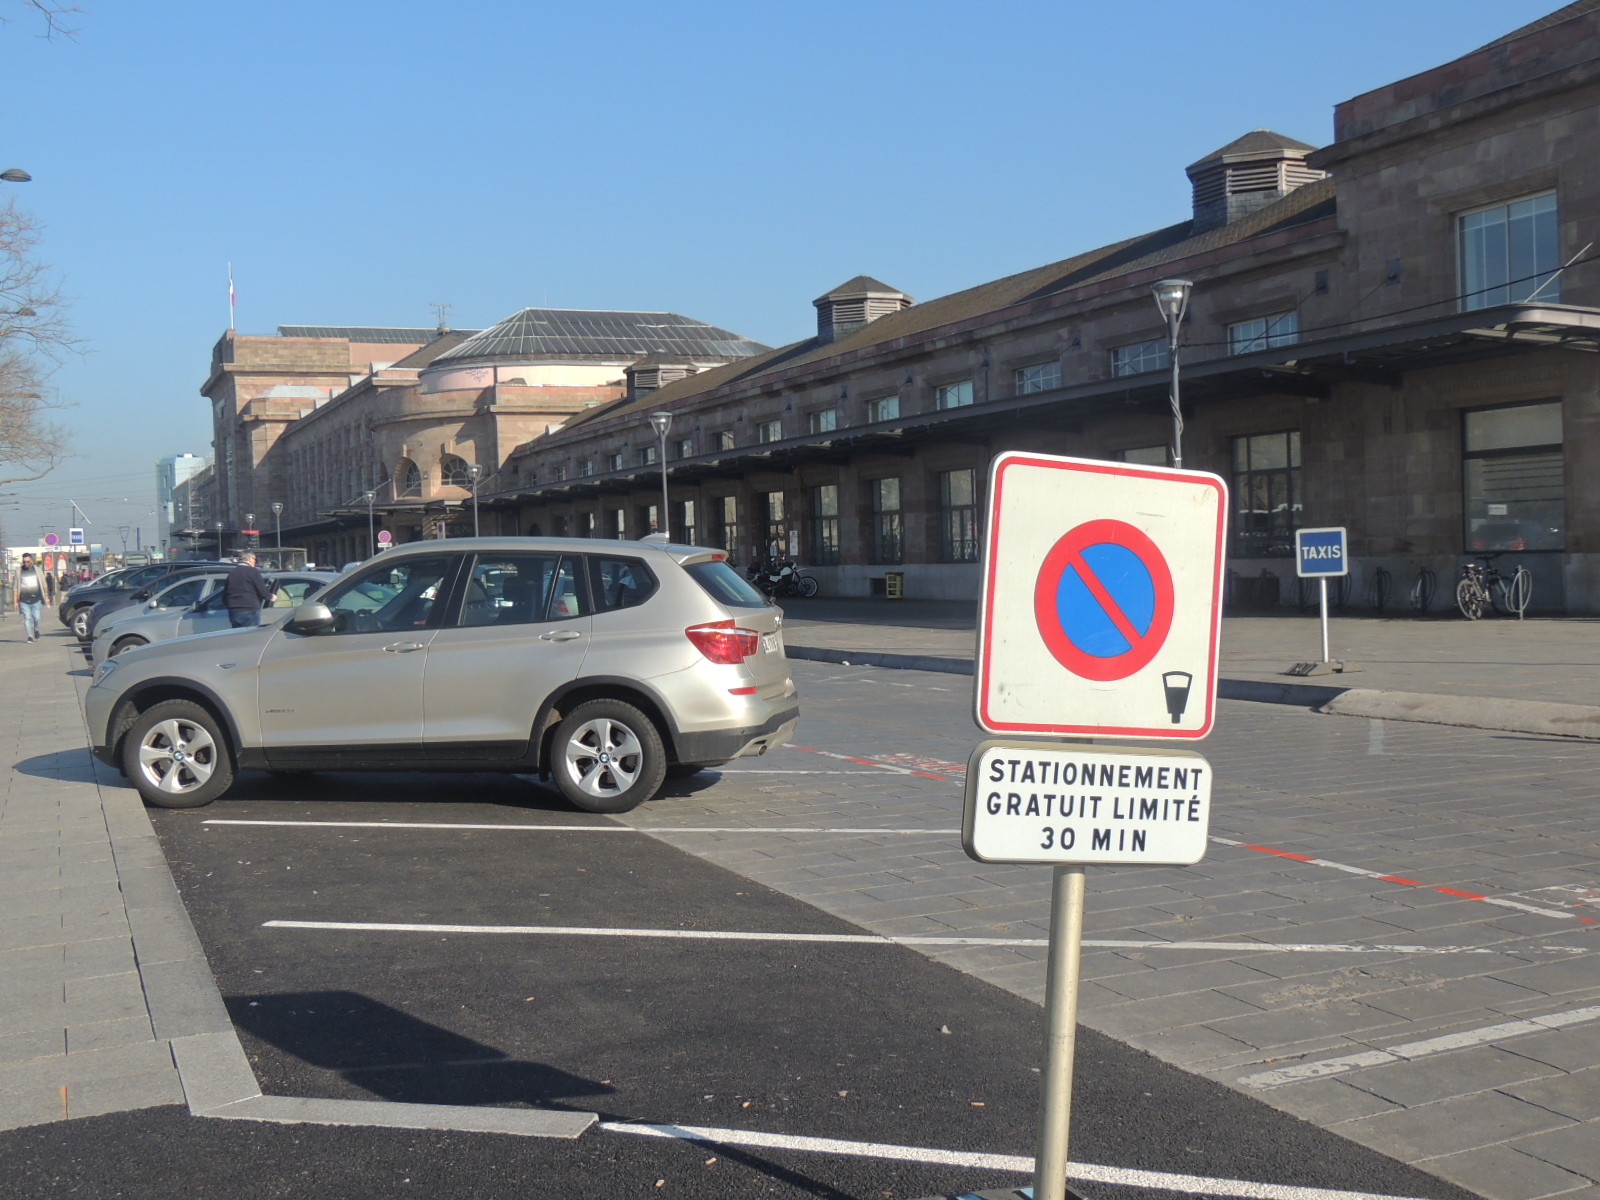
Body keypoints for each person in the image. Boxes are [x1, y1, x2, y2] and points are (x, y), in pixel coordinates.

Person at [223, 552, 273, 627]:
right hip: (250, 609)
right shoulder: (253, 571)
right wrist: (271, 597)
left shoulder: (232, 573)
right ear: (250, 559)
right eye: (254, 559)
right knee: (251, 635)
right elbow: (262, 591)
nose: (255, 561)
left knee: (238, 636)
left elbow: (225, 594)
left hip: (234, 610)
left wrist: (230, 605)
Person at [13, 553, 45, 642]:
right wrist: (15, 601)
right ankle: (30, 636)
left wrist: (46, 596)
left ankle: (36, 629)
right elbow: (15, 587)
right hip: (23, 600)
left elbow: (43, 583)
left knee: (37, 617)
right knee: (27, 617)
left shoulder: (37, 570)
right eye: (24, 561)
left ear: (31, 560)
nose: (26, 563)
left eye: (28, 561)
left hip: (36, 599)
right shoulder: (19, 571)